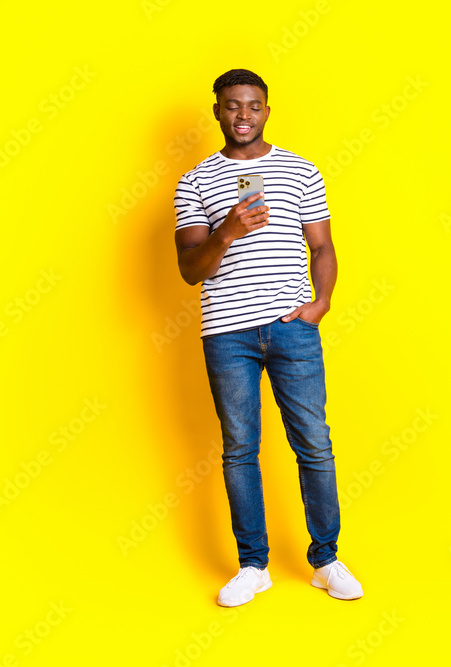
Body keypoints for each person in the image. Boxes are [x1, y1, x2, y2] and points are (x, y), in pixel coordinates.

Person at [172, 68, 362, 606]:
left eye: (253, 106)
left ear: (267, 111)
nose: (243, 115)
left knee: (314, 442)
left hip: (290, 328)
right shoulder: (195, 181)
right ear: (217, 111)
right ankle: (253, 566)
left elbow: (322, 247)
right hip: (227, 332)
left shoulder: (301, 170)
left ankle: (326, 560)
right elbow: (190, 269)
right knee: (240, 449)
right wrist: (228, 230)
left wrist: (321, 304)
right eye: (233, 105)